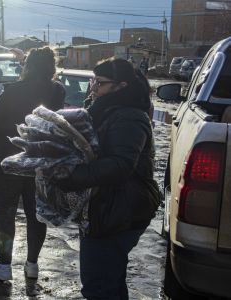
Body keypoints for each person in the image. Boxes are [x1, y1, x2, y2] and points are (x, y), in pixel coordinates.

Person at [56, 57, 160, 299]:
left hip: (118, 210)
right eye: (93, 81)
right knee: (108, 283)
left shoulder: (130, 116)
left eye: (99, 83)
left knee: (98, 288)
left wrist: (72, 176)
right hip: (106, 208)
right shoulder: (106, 110)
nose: (93, 88)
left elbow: (120, 165)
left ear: (121, 86)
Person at [0, 47, 65, 281]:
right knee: (36, 214)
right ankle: (32, 266)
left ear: (28, 66)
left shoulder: (14, 90)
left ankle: (4, 266)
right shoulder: (57, 91)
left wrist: (7, 128)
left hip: (10, 161)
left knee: (6, 213)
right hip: (41, 161)